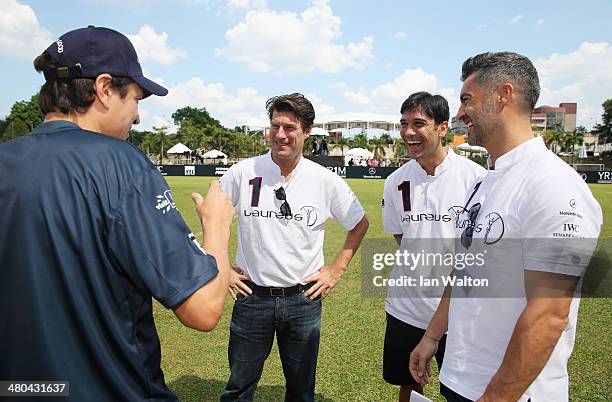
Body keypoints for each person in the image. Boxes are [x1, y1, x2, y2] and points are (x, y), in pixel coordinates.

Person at [0, 26, 234, 402]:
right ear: (105, 89)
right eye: (137, 99)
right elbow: (203, 309)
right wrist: (217, 226)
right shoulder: (123, 165)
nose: (138, 117)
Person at [409, 52, 602, 401]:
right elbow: (466, 270)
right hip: (460, 378)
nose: (459, 113)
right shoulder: (486, 181)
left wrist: (495, 398)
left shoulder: (554, 186)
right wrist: (432, 336)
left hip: (512, 393)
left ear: (503, 95)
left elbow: (548, 314)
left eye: (467, 99)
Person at [219, 93, 369, 402]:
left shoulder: (324, 180)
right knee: (239, 387)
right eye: (275, 126)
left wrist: (335, 270)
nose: (280, 135)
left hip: (303, 300)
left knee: (301, 391)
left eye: (290, 127)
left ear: (307, 131)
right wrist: (221, 265)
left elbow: (359, 223)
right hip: (252, 297)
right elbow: (214, 216)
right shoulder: (243, 172)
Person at [381, 92, 485, 401]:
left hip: (461, 310)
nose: (408, 132)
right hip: (407, 308)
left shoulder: (476, 179)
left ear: (442, 128)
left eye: (418, 123)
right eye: (403, 124)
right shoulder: (396, 181)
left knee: (464, 390)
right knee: (409, 384)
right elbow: (402, 237)